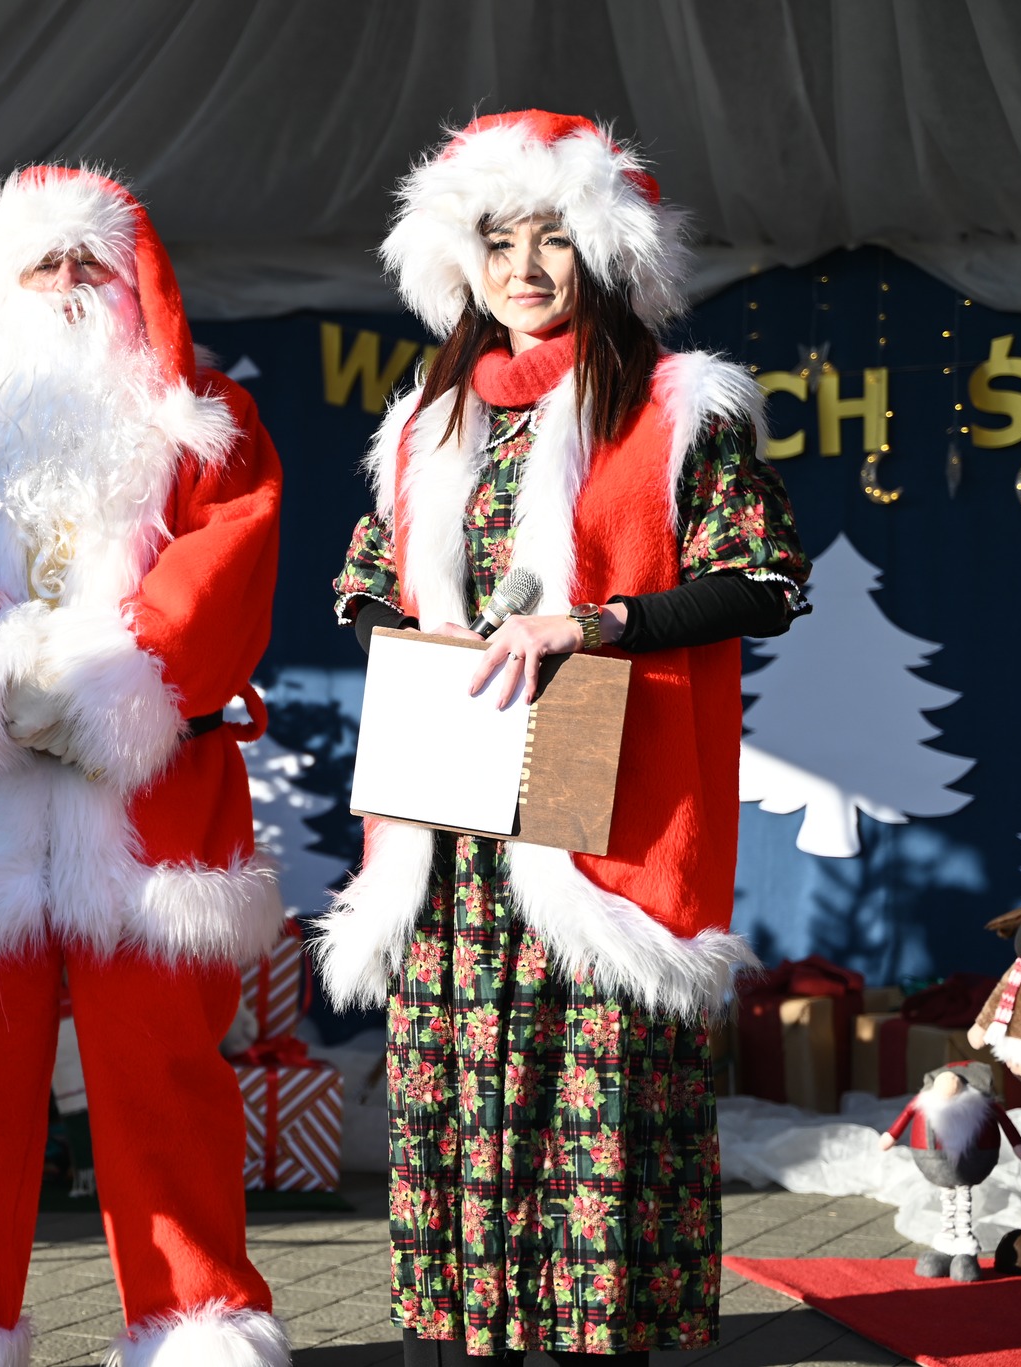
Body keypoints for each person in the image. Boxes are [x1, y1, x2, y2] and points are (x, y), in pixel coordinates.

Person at [314, 112, 810, 1366]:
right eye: (496, 238)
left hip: (602, 810)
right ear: (458, 259)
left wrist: (590, 626)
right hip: (453, 816)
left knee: (596, 1103)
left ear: (601, 250)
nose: (523, 265)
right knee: (456, 1099)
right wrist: (425, 627)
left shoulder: (671, 406)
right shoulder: (427, 423)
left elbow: (764, 580)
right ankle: (461, 1341)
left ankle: (602, 1347)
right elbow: (360, 580)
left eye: (551, 237)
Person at [0, 166, 287, 1367]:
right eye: (39, 266)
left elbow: (229, 560)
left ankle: (195, 1320)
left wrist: (113, 678)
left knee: (163, 1078)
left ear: (130, 280)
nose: (63, 287)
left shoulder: (205, 420)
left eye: (85, 264)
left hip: (149, 802)